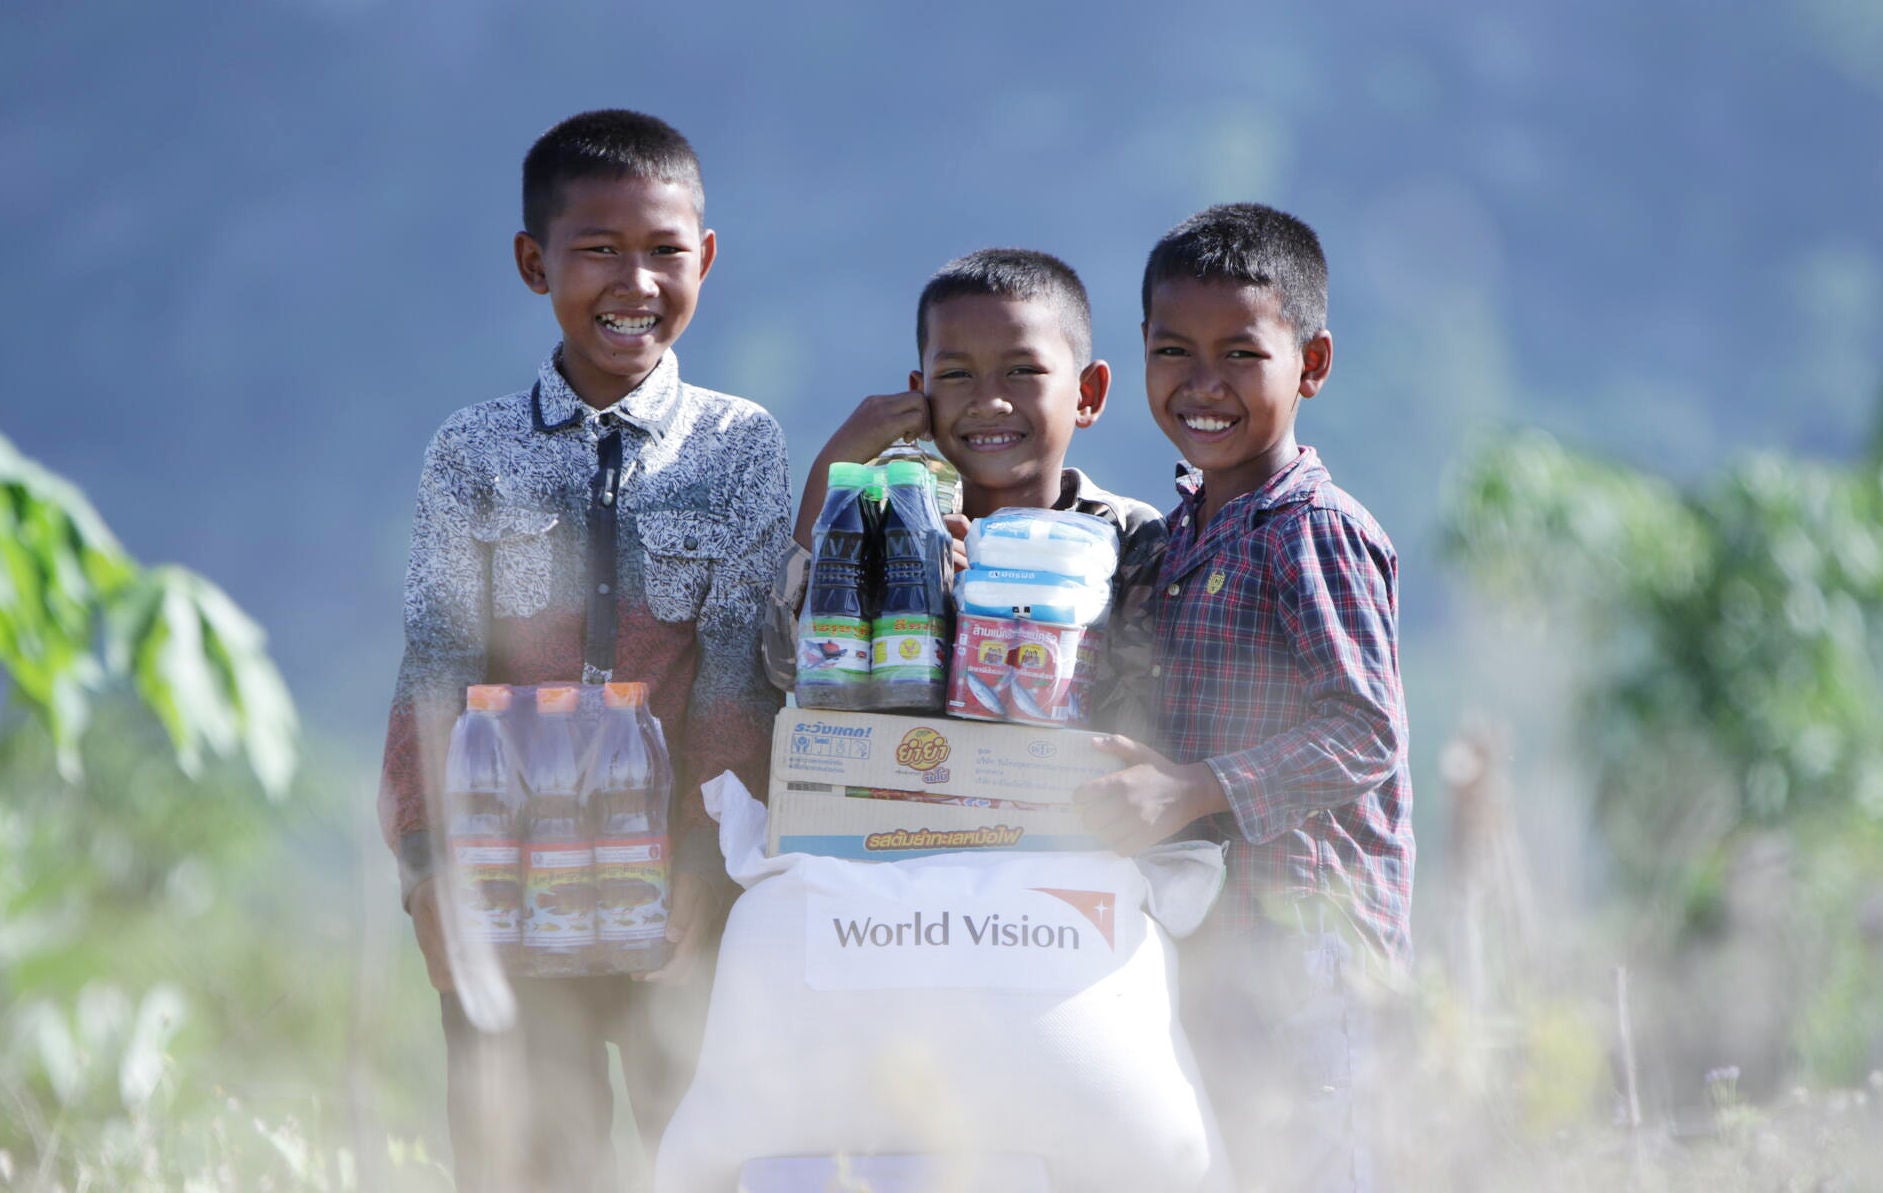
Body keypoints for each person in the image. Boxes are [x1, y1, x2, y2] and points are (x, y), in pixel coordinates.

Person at [377, 109, 790, 1191]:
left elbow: (740, 665)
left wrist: (708, 863)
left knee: (698, 1148)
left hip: (679, 887)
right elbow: (434, 659)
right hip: (510, 881)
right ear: (534, 262)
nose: (635, 280)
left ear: (703, 259)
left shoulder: (739, 443)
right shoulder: (474, 449)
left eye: (663, 251)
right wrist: (427, 865)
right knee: (526, 1159)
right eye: (598, 248)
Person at [1074, 203, 1414, 1192]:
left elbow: (1363, 732)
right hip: (1215, 939)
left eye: (1239, 354)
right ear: (1138, 350)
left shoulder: (1312, 529)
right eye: (1173, 349)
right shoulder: (1181, 532)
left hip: (1308, 947)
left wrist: (1186, 787)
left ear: (1309, 365)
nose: (1202, 383)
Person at [763, 247, 1166, 737]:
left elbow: (1150, 704)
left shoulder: (1127, 537)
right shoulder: (886, 532)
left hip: (1060, 802)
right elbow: (785, 664)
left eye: (1022, 371)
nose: (990, 402)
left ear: (1087, 394)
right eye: (956, 375)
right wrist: (840, 466)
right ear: (920, 393)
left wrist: (998, 599)